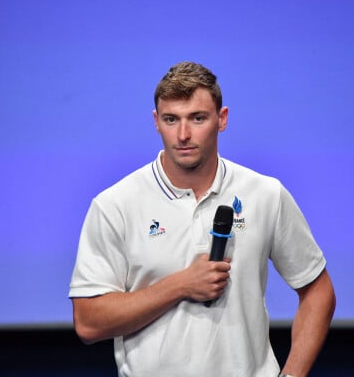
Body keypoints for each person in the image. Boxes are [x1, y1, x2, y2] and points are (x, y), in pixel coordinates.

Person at [69, 62, 336, 377]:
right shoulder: (115, 205)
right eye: (171, 119)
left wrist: (292, 375)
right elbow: (88, 322)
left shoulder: (265, 194)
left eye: (197, 118)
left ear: (221, 120)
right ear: (156, 122)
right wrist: (181, 285)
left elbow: (318, 290)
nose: (183, 135)